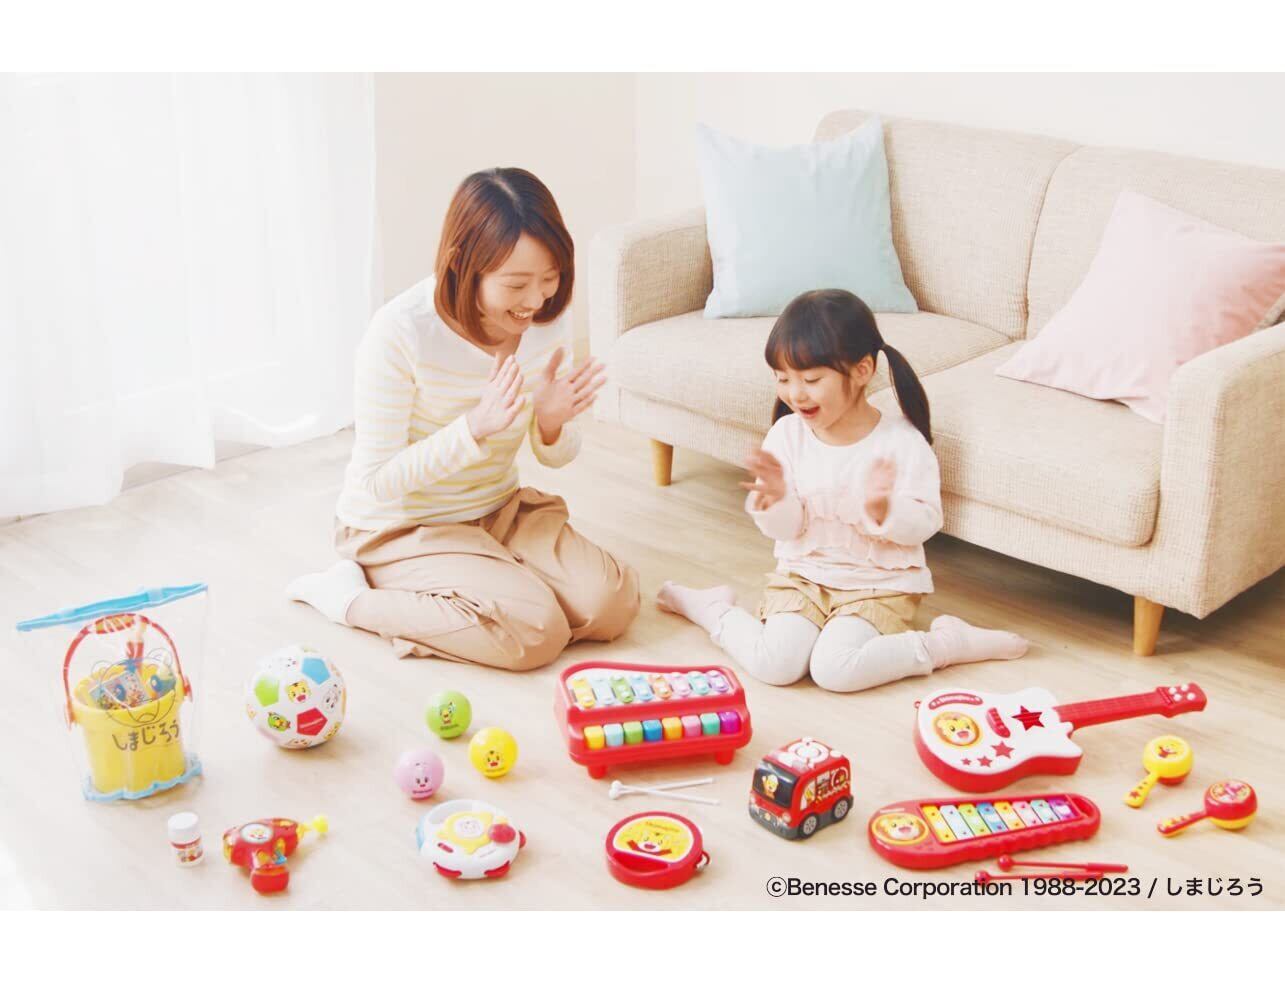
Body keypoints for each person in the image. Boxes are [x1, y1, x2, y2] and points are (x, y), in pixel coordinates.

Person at [288, 168, 639, 669]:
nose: (536, 300)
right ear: (462, 265)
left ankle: (494, 586)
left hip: (496, 509)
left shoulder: (543, 318)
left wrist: (551, 423)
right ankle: (348, 599)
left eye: (550, 277)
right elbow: (377, 482)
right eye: (516, 284)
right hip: (403, 525)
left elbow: (557, 455)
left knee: (612, 603)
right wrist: (473, 428)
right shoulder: (400, 333)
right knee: (535, 632)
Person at [658, 289, 1026, 692]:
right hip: (804, 578)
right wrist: (774, 499)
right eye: (783, 378)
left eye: (811, 380)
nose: (795, 394)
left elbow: (926, 522)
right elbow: (786, 531)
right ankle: (714, 610)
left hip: (878, 587)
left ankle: (947, 643)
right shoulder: (786, 435)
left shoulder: (901, 442)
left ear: (862, 370)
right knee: (775, 665)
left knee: (835, 670)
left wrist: (883, 510)